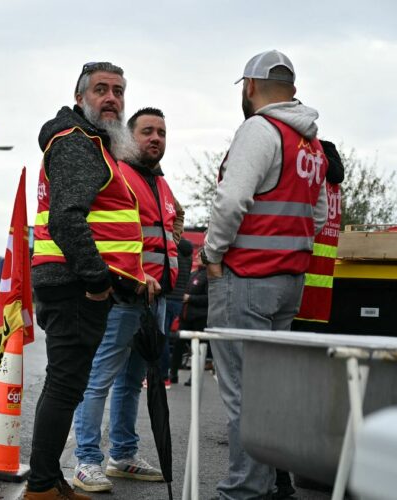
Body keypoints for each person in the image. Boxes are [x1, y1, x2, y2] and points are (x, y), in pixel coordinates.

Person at [201, 50, 328, 500]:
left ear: (250, 87)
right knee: (268, 393)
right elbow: (318, 214)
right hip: (288, 280)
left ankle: (243, 491)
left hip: (247, 278)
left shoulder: (260, 129)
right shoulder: (310, 144)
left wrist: (213, 254)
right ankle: (274, 484)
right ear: (291, 88)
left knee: (243, 394)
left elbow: (232, 199)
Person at [26, 62, 154, 500]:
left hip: (70, 281)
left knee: (66, 383)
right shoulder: (78, 143)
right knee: (66, 385)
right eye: (101, 90)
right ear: (80, 97)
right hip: (75, 284)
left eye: (119, 90)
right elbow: (67, 219)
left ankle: (47, 481)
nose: (112, 98)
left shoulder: (94, 144)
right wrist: (99, 281)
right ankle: (42, 486)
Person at [71, 107, 181, 492]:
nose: (155, 138)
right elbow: (102, 231)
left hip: (156, 299)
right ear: (130, 137)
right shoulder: (119, 174)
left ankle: (123, 455)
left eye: (162, 133)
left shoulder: (159, 183)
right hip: (124, 295)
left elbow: (173, 221)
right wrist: (135, 274)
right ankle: (86, 460)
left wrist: (172, 251)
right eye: (147, 131)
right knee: (99, 378)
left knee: (132, 381)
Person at [274, 138, 345, 499]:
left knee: (280, 390)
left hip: (292, 288)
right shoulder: (334, 184)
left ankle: (280, 475)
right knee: (310, 391)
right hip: (322, 298)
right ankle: (303, 468)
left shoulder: (310, 177)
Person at [163, 238, 193, 386]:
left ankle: (163, 375)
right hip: (179, 300)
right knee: (167, 337)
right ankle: (167, 374)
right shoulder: (188, 253)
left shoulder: (171, 248)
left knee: (161, 338)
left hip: (168, 297)